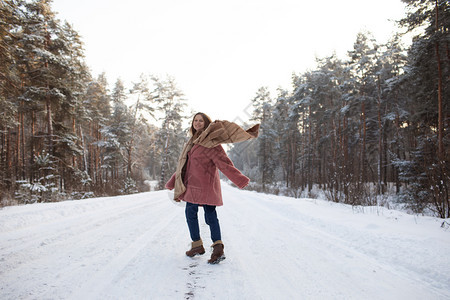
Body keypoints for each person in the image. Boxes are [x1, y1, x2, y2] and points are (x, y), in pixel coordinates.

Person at [165, 112, 259, 264]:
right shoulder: (192, 142)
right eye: (195, 120)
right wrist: (172, 182)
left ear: (206, 123)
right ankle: (197, 244)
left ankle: (218, 248)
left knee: (210, 216)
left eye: (201, 121)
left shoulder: (211, 142)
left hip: (207, 185)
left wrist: (239, 179)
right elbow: (183, 166)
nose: (197, 123)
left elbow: (224, 163)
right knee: (190, 212)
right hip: (193, 185)